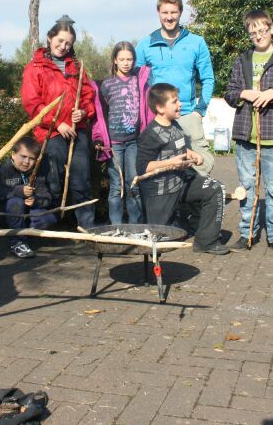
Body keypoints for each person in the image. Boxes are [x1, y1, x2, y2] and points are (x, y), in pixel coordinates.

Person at [224, 10, 273, 255]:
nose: (258, 35)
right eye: (253, 32)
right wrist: (243, 94)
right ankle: (248, 232)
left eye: (262, 30)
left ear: (271, 28)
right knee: (246, 186)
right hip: (246, 135)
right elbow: (230, 92)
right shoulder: (242, 60)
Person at [20, 18, 96, 230]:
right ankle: (49, 226)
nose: (63, 47)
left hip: (76, 131)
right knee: (53, 179)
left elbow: (89, 96)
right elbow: (32, 104)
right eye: (60, 41)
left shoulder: (77, 67)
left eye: (68, 44)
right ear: (50, 38)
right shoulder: (34, 67)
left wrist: (84, 112)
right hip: (50, 133)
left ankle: (88, 228)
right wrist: (57, 124)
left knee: (81, 179)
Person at [137, 83, 228, 255]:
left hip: (181, 183)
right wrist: (171, 162)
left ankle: (206, 242)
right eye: (175, 101)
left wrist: (193, 154)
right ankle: (178, 223)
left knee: (214, 188)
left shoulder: (175, 126)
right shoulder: (149, 134)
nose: (180, 104)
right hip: (161, 192)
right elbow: (143, 168)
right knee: (155, 244)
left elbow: (179, 148)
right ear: (160, 108)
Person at [136, 0, 215, 176]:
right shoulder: (145, 45)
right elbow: (137, 84)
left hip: (188, 115)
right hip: (159, 119)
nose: (169, 17)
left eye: (173, 12)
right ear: (158, 13)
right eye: (165, 12)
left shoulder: (197, 43)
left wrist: (199, 111)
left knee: (200, 167)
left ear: (180, 13)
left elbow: (208, 79)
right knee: (164, 171)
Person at [91, 41, 153, 224]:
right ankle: (116, 227)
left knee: (133, 183)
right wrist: (98, 138)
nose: (126, 63)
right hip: (114, 144)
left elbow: (147, 111)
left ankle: (134, 226)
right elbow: (100, 115)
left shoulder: (139, 82)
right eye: (122, 59)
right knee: (116, 186)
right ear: (115, 61)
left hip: (134, 142)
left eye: (130, 59)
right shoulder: (106, 85)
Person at [0, 137, 57, 258]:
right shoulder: (1, 170)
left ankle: (24, 233)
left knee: (49, 218)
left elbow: (46, 197)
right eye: (23, 156)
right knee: (16, 202)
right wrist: (18, 191)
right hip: (7, 214)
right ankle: (17, 242)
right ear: (13, 155)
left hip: (28, 214)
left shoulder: (37, 173)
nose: (27, 162)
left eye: (32, 159)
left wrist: (35, 201)